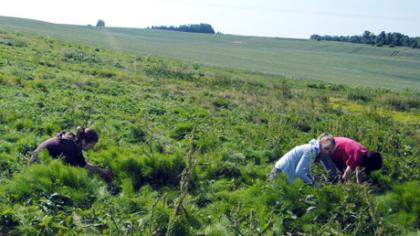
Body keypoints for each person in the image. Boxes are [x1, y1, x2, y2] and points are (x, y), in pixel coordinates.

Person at [30, 127, 113, 182]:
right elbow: (73, 171)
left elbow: (83, 165)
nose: (92, 148)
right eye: (92, 145)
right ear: (84, 141)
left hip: (42, 159)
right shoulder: (69, 148)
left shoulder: (75, 142)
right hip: (36, 164)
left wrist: (101, 170)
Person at [268, 133, 336, 185]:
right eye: (326, 148)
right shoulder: (312, 150)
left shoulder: (312, 148)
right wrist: (312, 184)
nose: (326, 152)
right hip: (280, 174)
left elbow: (305, 170)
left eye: (329, 151)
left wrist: (311, 180)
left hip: (280, 172)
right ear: (321, 143)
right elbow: (300, 172)